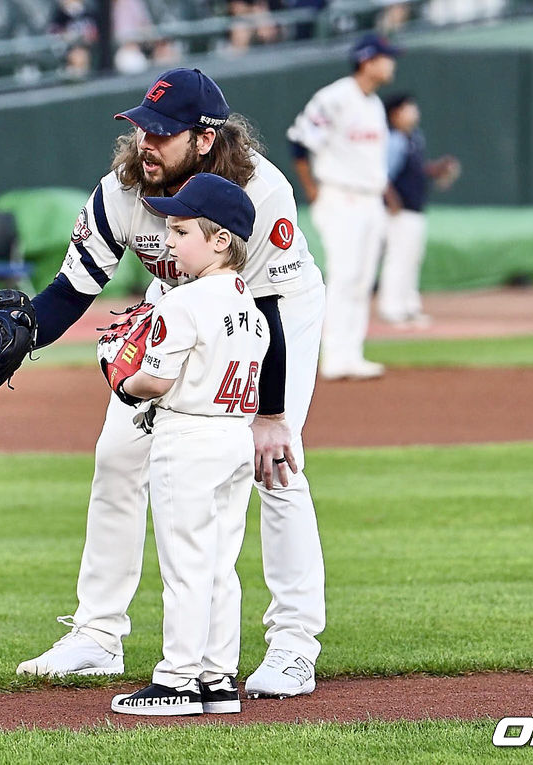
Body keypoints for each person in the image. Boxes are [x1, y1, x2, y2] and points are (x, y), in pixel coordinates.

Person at [17, 68, 326, 700]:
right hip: (182, 301)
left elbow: (262, 310)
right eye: (139, 128)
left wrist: (269, 416)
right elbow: (70, 291)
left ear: (207, 138)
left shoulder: (260, 190)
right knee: (117, 456)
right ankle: (97, 634)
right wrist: (22, 335)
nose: (144, 144)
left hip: (270, 308)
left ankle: (295, 644)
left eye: (161, 132)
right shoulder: (122, 189)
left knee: (277, 466)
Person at [107, 173, 269, 716]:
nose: (168, 241)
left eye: (179, 231)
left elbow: (153, 381)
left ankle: (176, 680)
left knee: (184, 565)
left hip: (189, 437)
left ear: (220, 240)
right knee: (221, 564)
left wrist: (117, 376)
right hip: (236, 437)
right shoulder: (252, 310)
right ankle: (217, 679)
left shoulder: (185, 302)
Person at [287, 33, 399, 380]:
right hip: (341, 196)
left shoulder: (374, 104)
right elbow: (299, 143)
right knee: (345, 276)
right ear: (368, 60)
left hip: (370, 198)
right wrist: (313, 191)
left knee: (363, 279)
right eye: (386, 57)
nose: (391, 64)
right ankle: (334, 355)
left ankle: (353, 352)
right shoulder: (335, 97)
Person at [378, 93, 461, 327]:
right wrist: (392, 201)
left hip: (415, 209)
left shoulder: (415, 138)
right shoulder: (394, 139)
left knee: (412, 259)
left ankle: (409, 306)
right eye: (408, 108)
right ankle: (392, 307)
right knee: (398, 258)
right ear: (395, 114)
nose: (414, 112)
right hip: (399, 211)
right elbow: (383, 174)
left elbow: (417, 170)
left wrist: (438, 169)